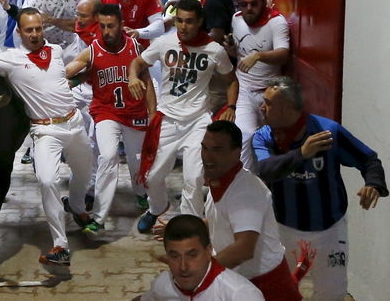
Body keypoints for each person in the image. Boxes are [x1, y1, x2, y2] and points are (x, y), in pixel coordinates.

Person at [0, 8, 95, 265]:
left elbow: (58, 82)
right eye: (28, 30)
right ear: (19, 32)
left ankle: (76, 206)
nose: (34, 34)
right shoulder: (9, 59)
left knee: (86, 174)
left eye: (38, 28)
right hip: (45, 131)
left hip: (75, 124)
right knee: (46, 180)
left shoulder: (56, 51)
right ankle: (60, 245)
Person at [253, 77, 388, 300]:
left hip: (329, 230)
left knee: (332, 294)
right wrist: (301, 154)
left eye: (268, 102)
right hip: (283, 229)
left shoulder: (328, 132)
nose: (262, 107)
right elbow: (266, 170)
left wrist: (373, 184)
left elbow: (369, 160)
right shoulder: (264, 136)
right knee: (278, 292)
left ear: (287, 107)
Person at [128, 0, 236, 231]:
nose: (183, 27)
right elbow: (137, 62)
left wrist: (231, 107)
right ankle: (157, 208)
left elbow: (231, 81)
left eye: (189, 22)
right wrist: (133, 77)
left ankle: (190, 228)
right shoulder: (164, 42)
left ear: (199, 23)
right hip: (167, 119)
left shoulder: (214, 50)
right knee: (151, 177)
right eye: (179, 20)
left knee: (194, 179)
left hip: (198, 121)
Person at [65, 4, 156, 234]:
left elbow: (148, 82)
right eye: (102, 26)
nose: (106, 31)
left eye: (111, 26)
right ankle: (99, 218)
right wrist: (71, 77)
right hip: (106, 113)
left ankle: (141, 193)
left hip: (135, 113)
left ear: (121, 26)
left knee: (137, 161)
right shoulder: (93, 50)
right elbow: (67, 71)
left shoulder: (135, 47)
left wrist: (153, 114)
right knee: (107, 156)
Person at [202, 120, 302, 300]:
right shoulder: (220, 179)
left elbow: (243, 249)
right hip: (238, 282)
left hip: (266, 288)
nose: (207, 157)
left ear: (236, 152)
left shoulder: (245, 193)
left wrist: (201, 271)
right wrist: (186, 229)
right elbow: (223, 220)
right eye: (205, 148)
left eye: (216, 150)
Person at [221, 0, 289, 168]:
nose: (248, 8)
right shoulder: (236, 19)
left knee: (272, 143)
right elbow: (240, 52)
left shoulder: (276, 22)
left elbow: (283, 54)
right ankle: (245, 186)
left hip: (270, 94)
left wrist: (258, 56)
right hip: (244, 90)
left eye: (254, 4)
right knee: (245, 134)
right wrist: (231, 49)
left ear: (263, 3)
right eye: (244, 4)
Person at [134, 215, 264, 300]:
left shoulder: (240, 295)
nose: (183, 267)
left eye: (192, 255)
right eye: (175, 256)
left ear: (208, 251)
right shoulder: (163, 284)